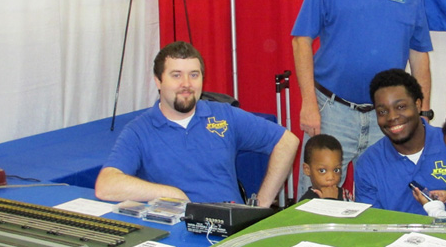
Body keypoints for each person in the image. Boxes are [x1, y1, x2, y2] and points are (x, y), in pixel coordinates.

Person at [291, 0, 434, 198]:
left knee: (383, 199)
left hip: (387, 117)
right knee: (317, 201)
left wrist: (422, 113)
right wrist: (309, 103)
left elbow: (419, 56)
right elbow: (301, 40)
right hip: (332, 111)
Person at [95, 41, 299, 208]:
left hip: (231, 227)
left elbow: (287, 141)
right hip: (178, 230)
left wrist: (261, 205)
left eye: (194, 74)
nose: (186, 83)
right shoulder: (139, 131)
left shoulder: (224, 116)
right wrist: (170, 193)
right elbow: (106, 185)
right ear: (158, 81)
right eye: (176, 75)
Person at [354, 69, 446, 215]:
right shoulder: (369, 163)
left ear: (418, 105)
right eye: (382, 111)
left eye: (400, 107)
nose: (392, 117)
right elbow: (371, 224)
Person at [298, 134, 349, 202]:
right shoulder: (306, 202)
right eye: (322, 171)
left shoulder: (345, 194)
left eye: (336, 170)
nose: (331, 177)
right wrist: (329, 200)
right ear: (307, 169)